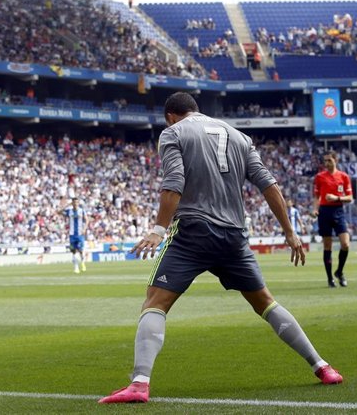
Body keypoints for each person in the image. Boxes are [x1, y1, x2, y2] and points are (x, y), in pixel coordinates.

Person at [99, 92, 343, 404]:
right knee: (266, 303)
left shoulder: (173, 133)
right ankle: (322, 367)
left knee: (155, 303)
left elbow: (174, 182)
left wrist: (159, 229)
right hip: (233, 236)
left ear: (170, 116)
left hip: (194, 233)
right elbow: (269, 185)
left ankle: (139, 384)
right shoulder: (240, 137)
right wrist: (289, 232)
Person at [312, 151, 353, 288]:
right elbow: (316, 196)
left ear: (336, 160)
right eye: (325, 161)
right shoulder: (319, 177)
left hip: (338, 210)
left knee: (345, 244)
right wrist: (315, 209)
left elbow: (350, 197)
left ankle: (339, 272)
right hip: (324, 212)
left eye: (329, 160)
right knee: (327, 246)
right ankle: (330, 279)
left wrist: (337, 198)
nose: (327, 163)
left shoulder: (344, 176)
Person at [63, 197, 87, 274]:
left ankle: (83, 262)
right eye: (74, 202)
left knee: (80, 250)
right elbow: (58, 211)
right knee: (73, 251)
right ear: (72, 203)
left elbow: (87, 220)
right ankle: (76, 268)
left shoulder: (82, 211)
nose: (75, 204)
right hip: (72, 235)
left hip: (80, 234)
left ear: (78, 203)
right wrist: (67, 205)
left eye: (77, 202)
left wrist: (84, 229)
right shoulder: (69, 211)